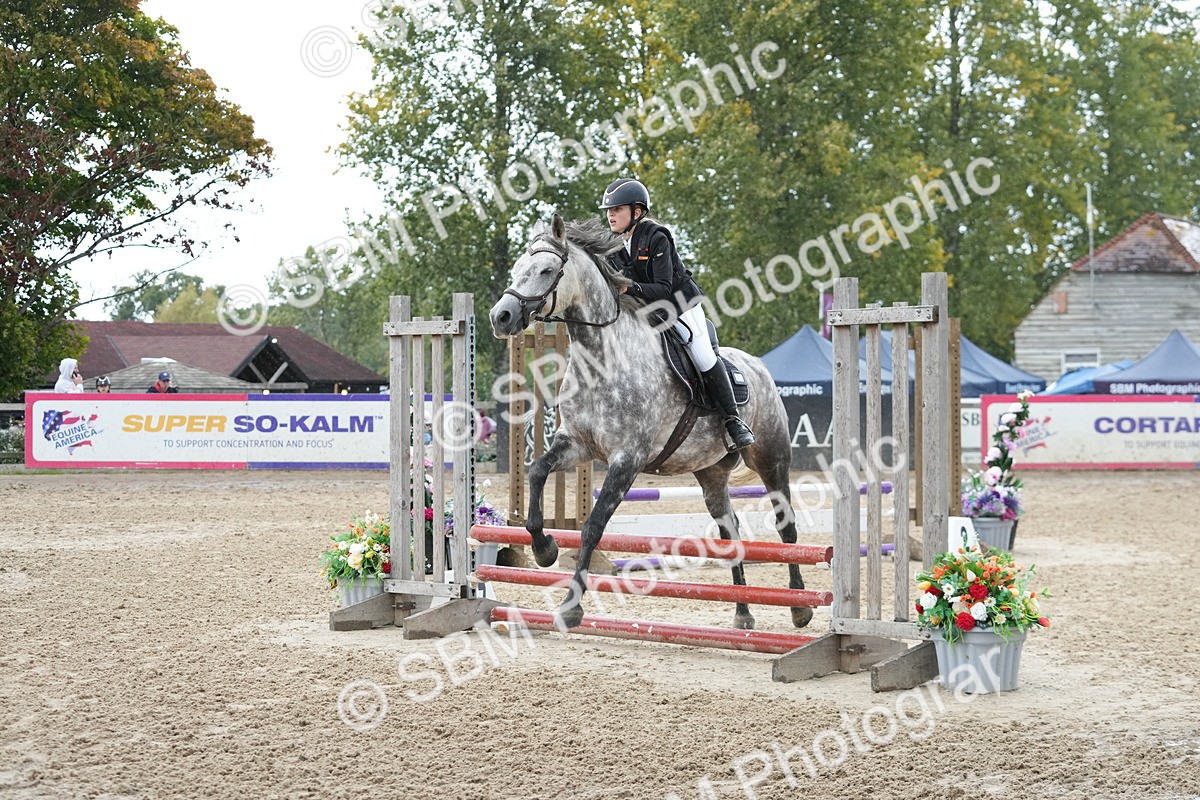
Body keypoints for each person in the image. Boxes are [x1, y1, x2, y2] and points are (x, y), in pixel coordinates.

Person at [599, 177, 755, 449]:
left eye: (618, 209)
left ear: (637, 212)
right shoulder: (612, 244)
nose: (611, 215)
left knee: (702, 354)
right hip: (645, 310)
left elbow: (662, 287)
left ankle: (733, 420)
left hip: (679, 304)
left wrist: (629, 287)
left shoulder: (657, 237)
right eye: (609, 211)